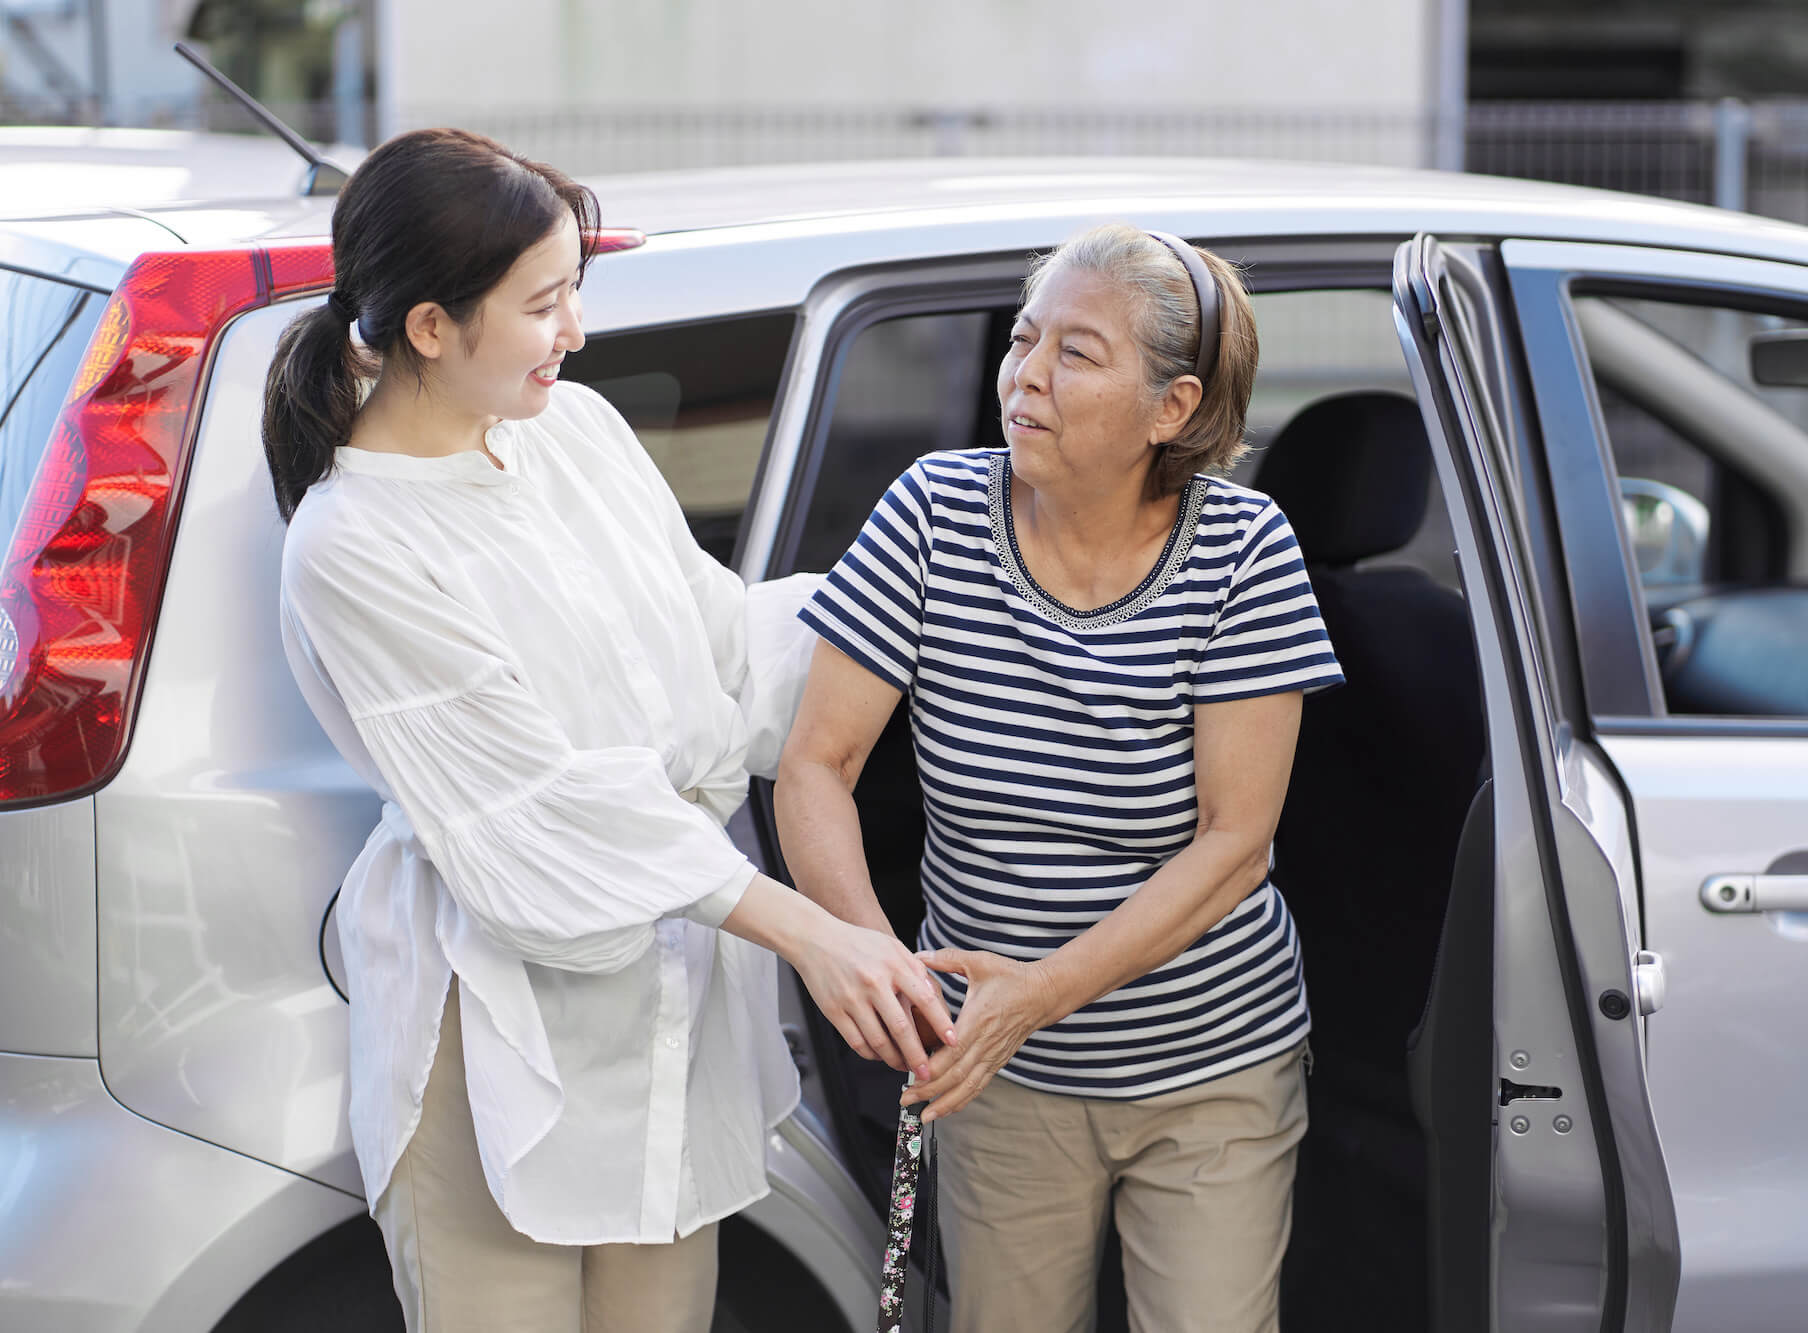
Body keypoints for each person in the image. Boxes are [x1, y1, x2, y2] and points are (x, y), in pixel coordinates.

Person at [265, 128, 955, 1333]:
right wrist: (815, 937)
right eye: (543, 303)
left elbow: (724, 653)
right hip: (495, 1042)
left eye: (573, 291)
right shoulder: (352, 544)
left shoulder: (572, 435)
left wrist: (931, 586)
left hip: (671, 1021)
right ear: (431, 327)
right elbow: (542, 805)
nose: (575, 331)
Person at [777, 222, 1343, 1333]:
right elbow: (815, 763)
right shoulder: (933, 513)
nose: (1024, 375)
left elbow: (1235, 844)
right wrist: (872, 961)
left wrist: (1035, 996)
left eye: (1074, 354)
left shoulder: (1243, 548)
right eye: (1023, 340)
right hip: (995, 1076)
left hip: (1208, 1061)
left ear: (1169, 408)